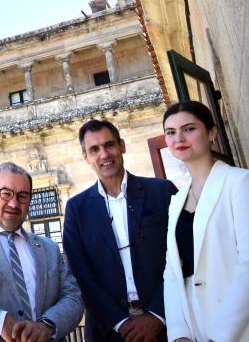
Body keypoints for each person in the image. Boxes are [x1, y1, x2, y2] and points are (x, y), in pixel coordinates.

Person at [161, 101, 249, 342]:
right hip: (197, 326)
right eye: (170, 132)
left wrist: (220, 335)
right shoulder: (176, 201)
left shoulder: (241, 182)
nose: (178, 138)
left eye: (189, 128)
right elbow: (172, 271)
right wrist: (179, 333)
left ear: (212, 133)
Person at [63, 120, 177, 342]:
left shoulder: (162, 192)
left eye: (109, 145)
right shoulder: (77, 208)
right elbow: (80, 272)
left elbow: (182, 255)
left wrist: (156, 315)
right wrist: (121, 323)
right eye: (94, 150)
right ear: (85, 157)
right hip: (108, 331)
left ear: (122, 145)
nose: (104, 154)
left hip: (168, 322)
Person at [0, 162, 83, 342]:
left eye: (22, 196)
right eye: (5, 193)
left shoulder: (49, 248)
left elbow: (73, 297)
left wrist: (47, 326)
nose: (13, 203)